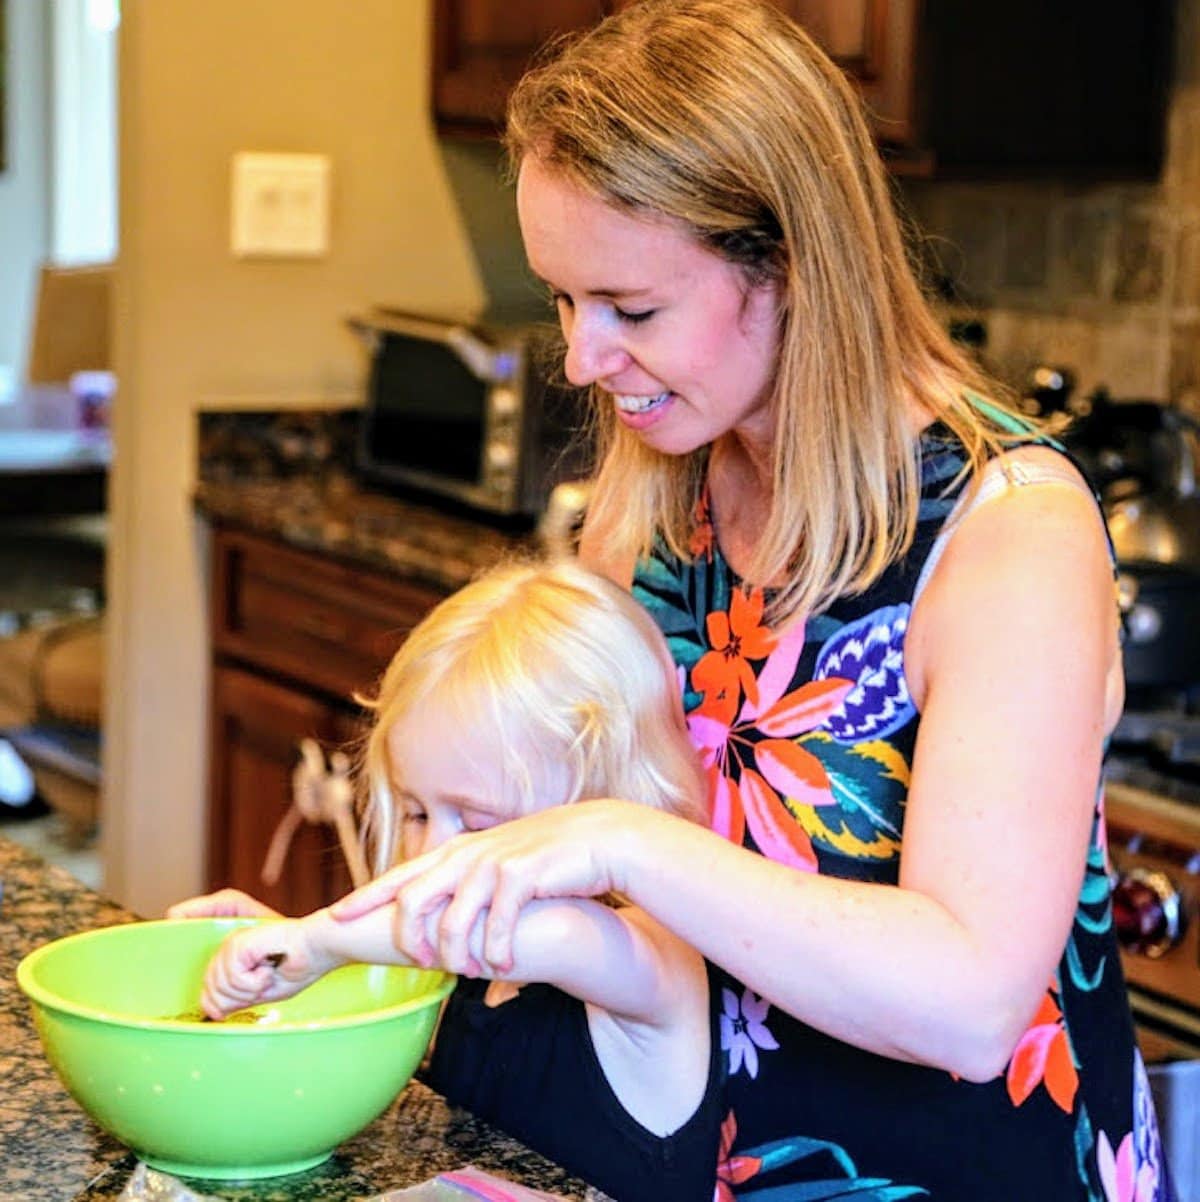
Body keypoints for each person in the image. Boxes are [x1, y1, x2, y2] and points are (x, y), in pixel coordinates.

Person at [329, 2, 1170, 1199]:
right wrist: (311, 951)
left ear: (790, 266)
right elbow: (538, 824)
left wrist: (629, 841)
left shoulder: (1009, 532)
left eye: (631, 309)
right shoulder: (663, 489)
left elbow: (972, 1000)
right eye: (564, 300)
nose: (580, 357)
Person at [170, 559, 722, 1202]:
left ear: (595, 810)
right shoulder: (471, 975)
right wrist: (278, 952)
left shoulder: (656, 960)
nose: (433, 852)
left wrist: (320, 940)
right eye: (415, 812)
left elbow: (544, 933)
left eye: (476, 821)